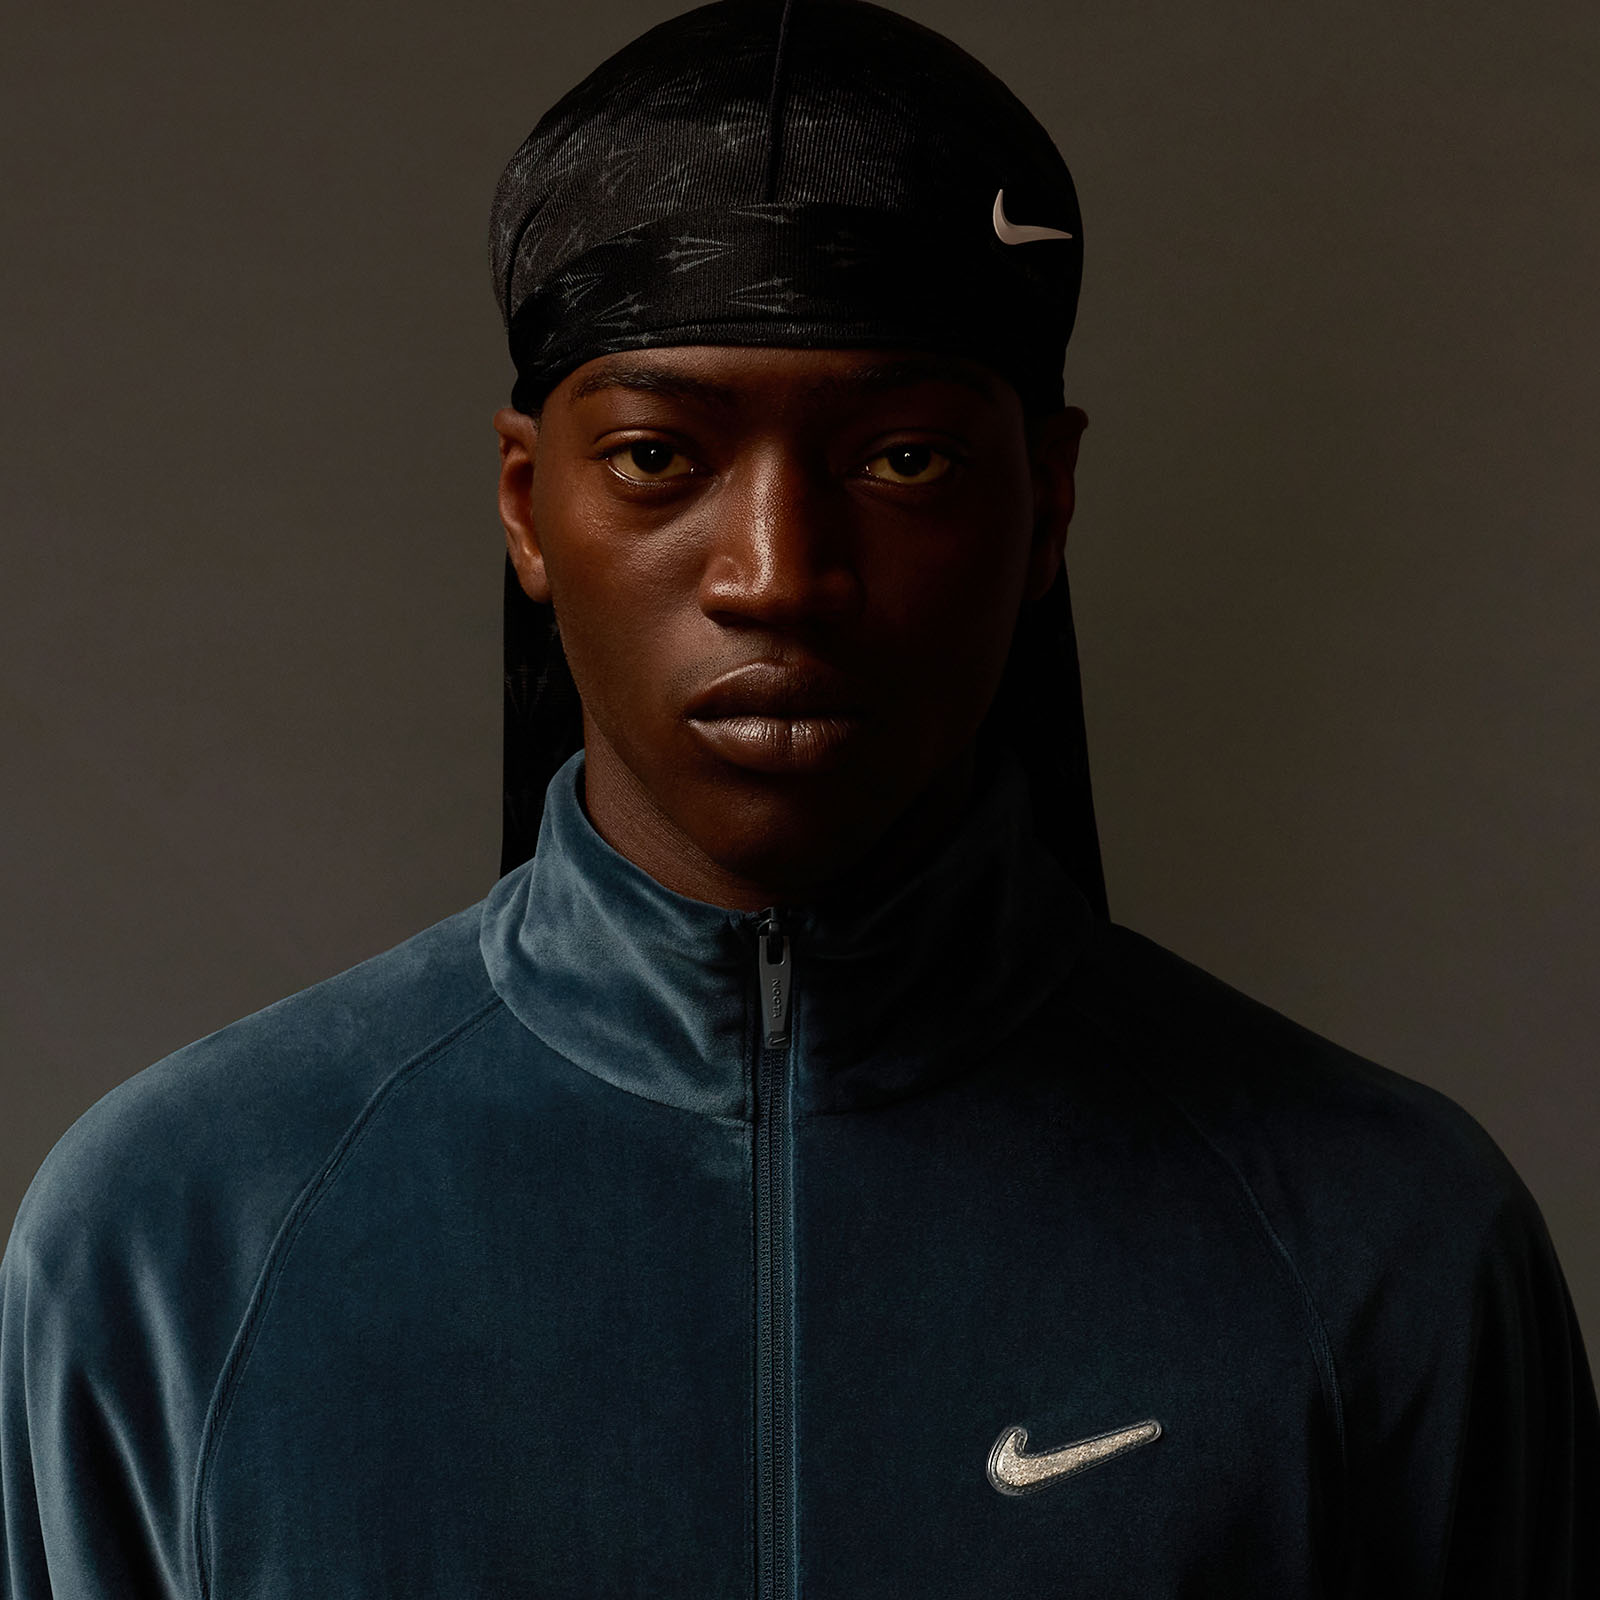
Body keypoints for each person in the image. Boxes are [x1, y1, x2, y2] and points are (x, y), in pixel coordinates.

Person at [2, 1, 1594, 1594]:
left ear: (1046, 504)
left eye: (902, 459)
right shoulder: (172, 1243)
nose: (778, 575)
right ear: (528, 506)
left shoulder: (1382, 1246)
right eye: (658, 457)